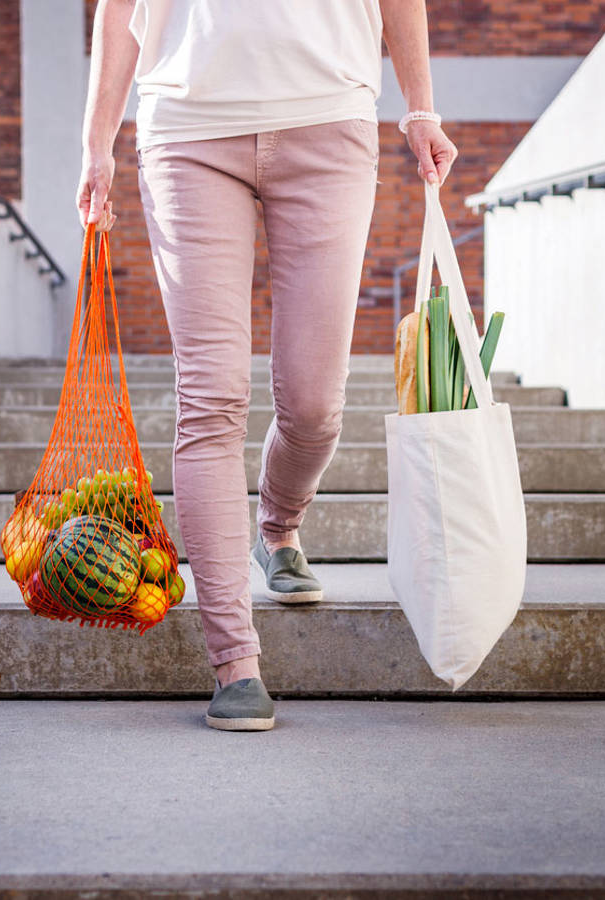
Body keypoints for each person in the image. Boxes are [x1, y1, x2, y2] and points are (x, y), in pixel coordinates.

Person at [76, 0, 458, 731]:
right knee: (212, 398)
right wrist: (98, 144)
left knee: (314, 406)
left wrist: (421, 109)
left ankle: (278, 528)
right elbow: (118, 8)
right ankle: (235, 663)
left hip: (330, 121)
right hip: (187, 130)